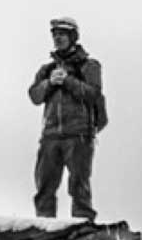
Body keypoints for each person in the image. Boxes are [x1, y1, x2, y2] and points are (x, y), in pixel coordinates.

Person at [26, 17, 108, 220]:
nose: (57, 38)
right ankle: (44, 228)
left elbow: (93, 94)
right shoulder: (46, 70)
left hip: (79, 135)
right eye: (54, 35)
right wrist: (49, 84)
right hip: (50, 135)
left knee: (79, 186)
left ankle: (83, 227)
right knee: (44, 187)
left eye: (62, 34)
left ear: (72, 37)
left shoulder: (90, 65)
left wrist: (68, 81)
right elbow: (35, 96)